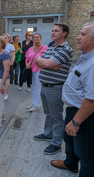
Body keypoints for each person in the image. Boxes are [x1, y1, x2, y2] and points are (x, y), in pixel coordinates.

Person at [50, 23, 94, 176]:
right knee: (69, 140)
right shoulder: (88, 57)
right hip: (75, 110)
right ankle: (71, 163)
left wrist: (76, 121)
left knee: (85, 152)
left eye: (83, 34)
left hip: (86, 116)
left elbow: (92, 99)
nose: (78, 37)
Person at [34, 23, 73, 155]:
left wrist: (46, 63)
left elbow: (44, 62)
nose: (53, 33)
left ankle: (56, 143)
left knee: (56, 117)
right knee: (48, 114)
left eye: (56, 31)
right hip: (44, 86)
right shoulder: (51, 48)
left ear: (64, 33)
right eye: (52, 30)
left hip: (55, 87)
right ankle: (48, 133)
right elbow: (37, 60)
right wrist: (49, 64)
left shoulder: (66, 49)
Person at [25, 33, 47, 112]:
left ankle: (36, 104)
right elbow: (26, 59)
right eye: (35, 37)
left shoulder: (45, 48)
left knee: (38, 88)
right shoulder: (30, 49)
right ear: (33, 39)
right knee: (33, 87)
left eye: (38, 37)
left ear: (40, 39)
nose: (36, 38)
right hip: (31, 71)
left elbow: (47, 60)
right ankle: (34, 103)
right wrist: (27, 64)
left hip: (40, 71)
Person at [3, 33, 15, 100]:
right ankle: (0, 92)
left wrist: (11, 63)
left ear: (9, 39)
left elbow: (13, 56)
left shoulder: (11, 46)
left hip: (8, 64)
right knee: (0, 79)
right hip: (1, 64)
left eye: (6, 38)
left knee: (7, 79)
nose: (4, 39)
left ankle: (6, 94)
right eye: (3, 38)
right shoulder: (1, 45)